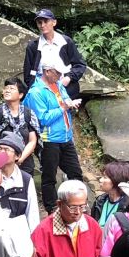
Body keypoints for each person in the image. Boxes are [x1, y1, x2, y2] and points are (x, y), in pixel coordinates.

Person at [24, 49, 84, 211]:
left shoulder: (57, 85)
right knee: (49, 177)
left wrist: (71, 104)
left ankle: (78, 203)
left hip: (66, 137)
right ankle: (51, 208)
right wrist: (63, 107)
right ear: (47, 71)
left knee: (75, 173)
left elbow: (65, 100)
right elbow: (42, 118)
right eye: (58, 73)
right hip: (49, 140)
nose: (60, 76)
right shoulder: (36, 92)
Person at [22, 9, 88, 100]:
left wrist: (69, 78)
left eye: (46, 21)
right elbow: (28, 73)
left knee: (64, 112)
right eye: (39, 22)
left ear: (54, 22)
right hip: (42, 89)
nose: (42, 25)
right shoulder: (33, 46)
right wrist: (36, 87)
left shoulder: (66, 42)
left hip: (65, 86)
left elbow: (80, 65)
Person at [0, 77, 40, 165]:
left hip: (23, 161)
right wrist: (5, 156)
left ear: (20, 95)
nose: (7, 90)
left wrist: (20, 158)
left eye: (12, 88)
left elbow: (32, 141)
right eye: (6, 88)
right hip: (0, 161)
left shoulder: (29, 114)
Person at [0, 133, 42, 230]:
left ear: (17, 156)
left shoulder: (26, 180)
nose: (2, 153)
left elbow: (32, 214)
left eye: (6, 149)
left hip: (17, 237)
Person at [91, 162, 129, 228]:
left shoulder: (128, 207)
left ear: (116, 180)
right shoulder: (99, 201)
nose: (100, 180)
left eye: (105, 177)